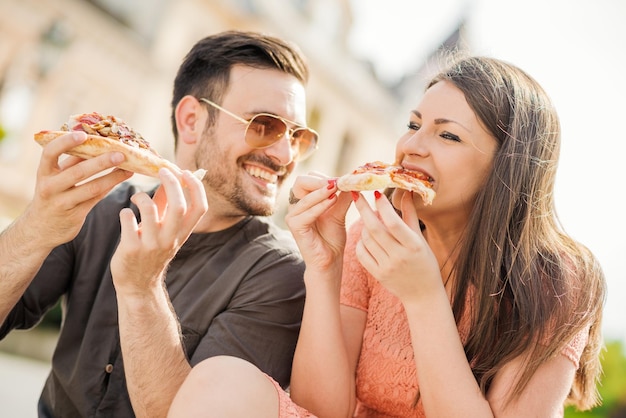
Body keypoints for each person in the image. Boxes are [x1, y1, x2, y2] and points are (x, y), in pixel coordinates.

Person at [166, 55, 607, 417]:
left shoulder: (558, 281)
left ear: (508, 167)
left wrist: (422, 296)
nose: (413, 145)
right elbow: (320, 409)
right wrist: (325, 267)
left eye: (448, 135)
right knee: (221, 379)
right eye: (414, 125)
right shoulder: (371, 235)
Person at [0, 30, 316, 417]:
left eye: (298, 136)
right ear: (191, 121)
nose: (285, 154)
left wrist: (142, 288)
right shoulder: (100, 207)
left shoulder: (281, 275)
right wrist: (37, 226)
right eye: (264, 125)